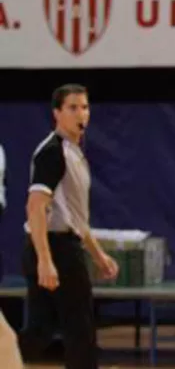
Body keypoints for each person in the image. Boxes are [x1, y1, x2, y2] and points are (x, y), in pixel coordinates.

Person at [19, 84, 119, 369]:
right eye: (73, 108)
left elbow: (77, 218)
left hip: (62, 246)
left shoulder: (76, 154)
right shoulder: (53, 152)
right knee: (81, 330)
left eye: (85, 107)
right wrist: (46, 261)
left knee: (40, 331)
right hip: (55, 249)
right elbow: (35, 207)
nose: (81, 114)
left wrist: (99, 256)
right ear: (57, 113)